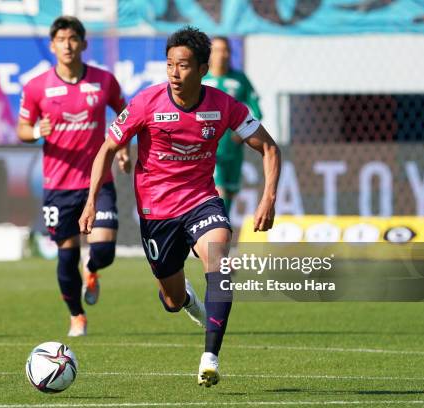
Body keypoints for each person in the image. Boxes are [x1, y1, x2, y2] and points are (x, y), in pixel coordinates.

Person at [79, 27, 280, 386]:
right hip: (157, 214)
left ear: (203, 69)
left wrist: (268, 197)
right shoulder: (146, 103)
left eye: (183, 66)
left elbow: (268, 147)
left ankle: (210, 357)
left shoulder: (224, 105)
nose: (174, 73)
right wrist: (91, 199)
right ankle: (185, 298)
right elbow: (108, 147)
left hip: (202, 200)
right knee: (171, 299)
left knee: (220, 260)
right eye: (169, 64)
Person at [17, 16, 130, 337]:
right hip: (59, 187)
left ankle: (92, 270)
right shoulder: (37, 87)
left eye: (73, 39)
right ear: (52, 46)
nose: (67, 45)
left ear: (83, 43)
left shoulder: (104, 81)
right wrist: (37, 130)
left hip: (98, 182)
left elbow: (124, 115)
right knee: (66, 257)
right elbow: (22, 128)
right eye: (61, 40)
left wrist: (121, 147)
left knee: (104, 250)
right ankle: (76, 316)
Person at [203, 36, 263, 214]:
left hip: (233, 148)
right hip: (210, 148)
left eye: (226, 50)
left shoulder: (240, 79)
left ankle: (222, 235)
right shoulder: (201, 79)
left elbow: (257, 111)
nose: (222, 54)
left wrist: (242, 132)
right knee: (217, 191)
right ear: (210, 54)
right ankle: (213, 234)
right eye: (217, 50)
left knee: (229, 193)